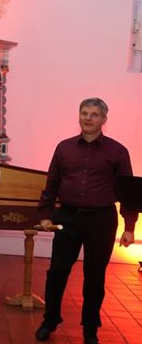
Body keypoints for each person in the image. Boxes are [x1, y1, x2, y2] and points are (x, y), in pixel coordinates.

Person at [35, 98, 138, 344]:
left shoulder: (118, 151)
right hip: (67, 218)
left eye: (94, 114)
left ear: (104, 119)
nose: (88, 118)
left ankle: (90, 330)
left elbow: (128, 192)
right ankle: (50, 320)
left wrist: (130, 228)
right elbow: (51, 185)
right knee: (57, 273)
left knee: (95, 277)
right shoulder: (64, 148)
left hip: (102, 221)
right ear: (78, 115)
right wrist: (46, 215)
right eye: (84, 113)